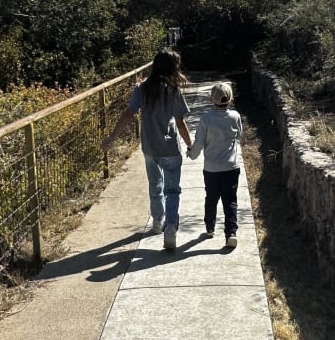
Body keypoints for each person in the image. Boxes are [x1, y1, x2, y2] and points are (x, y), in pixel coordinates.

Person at [102, 49, 192, 251]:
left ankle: (158, 221)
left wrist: (112, 138)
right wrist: (189, 144)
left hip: (149, 146)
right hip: (169, 147)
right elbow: (180, 121)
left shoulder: (141, 89)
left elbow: (128, 114)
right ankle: (170, 227)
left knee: (155, 184)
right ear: (172, 67)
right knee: (172, 190)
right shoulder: (174, 90)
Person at [187, 81, 243, 248]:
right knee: (230, 200)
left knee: (211, 198)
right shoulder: (235, 116)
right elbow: (239, 136)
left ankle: (210, 228)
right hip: (231, 167)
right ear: (230, 98)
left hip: (211, 169)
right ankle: (231, 233)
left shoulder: (206, 119)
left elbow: (199, 143)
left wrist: (191, 154)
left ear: (211, 99)